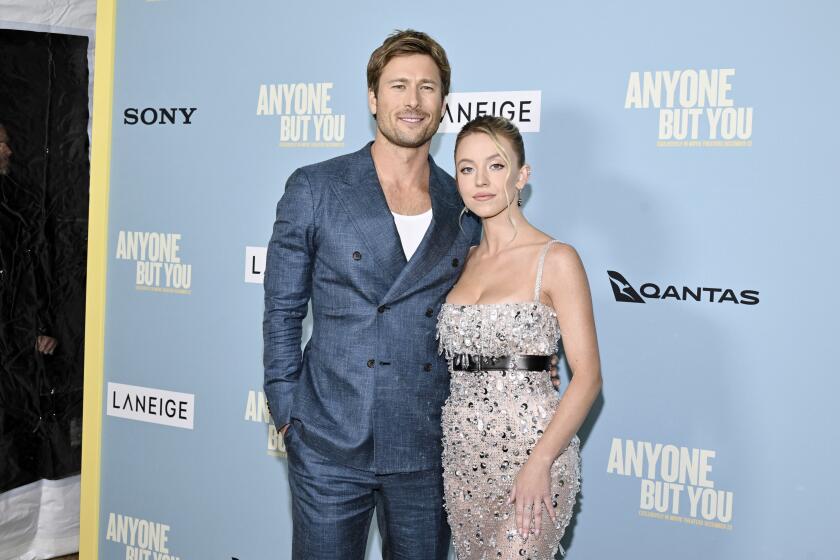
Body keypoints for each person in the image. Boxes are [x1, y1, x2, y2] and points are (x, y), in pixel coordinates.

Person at [263, 30, 480, 560]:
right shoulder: (315, 187)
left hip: (425, 440)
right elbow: (282, 311)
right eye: (398, 85)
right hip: (328, 439)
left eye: (427, 88)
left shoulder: (465, 202)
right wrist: (286, 410)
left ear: (443, 104)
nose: (412, 101)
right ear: (372, 98)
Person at [437, 116, 602, 559]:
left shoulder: (557, 259)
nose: (481, 180)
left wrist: (541, 462)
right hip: (463, 457)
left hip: (534, 451)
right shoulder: (461, 259)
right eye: (467, 168)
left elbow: (587, 378)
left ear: (521, 176)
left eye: (496, 165)